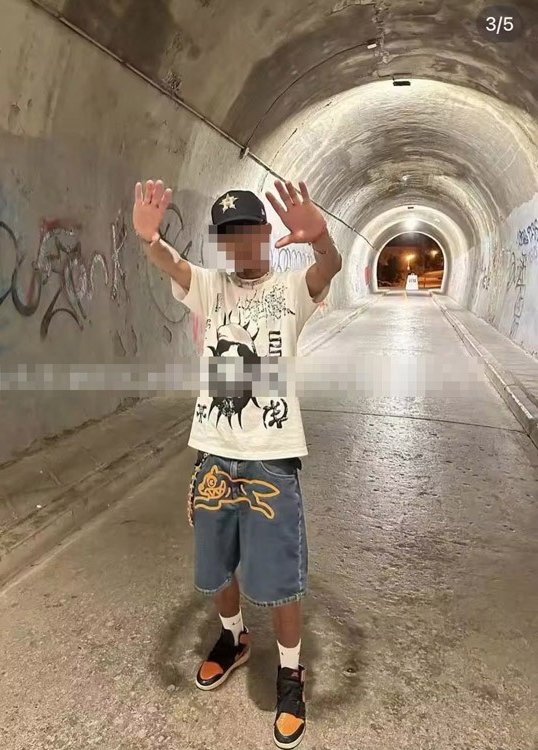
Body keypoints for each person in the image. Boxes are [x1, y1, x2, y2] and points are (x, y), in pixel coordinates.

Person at [132, 178, 342, 749]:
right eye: (228, 235)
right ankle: (234, 638)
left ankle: (291, 672)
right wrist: (149, 239)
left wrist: (320, 238)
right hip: (215, 454)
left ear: (267, 234)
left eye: (248, 231)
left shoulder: (292, 288)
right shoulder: (211, 286)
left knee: (280, 576)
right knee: (216, 566)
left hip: (272, 458)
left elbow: (328, 268)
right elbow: (173, 265)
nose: (239, 244)